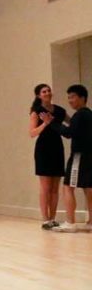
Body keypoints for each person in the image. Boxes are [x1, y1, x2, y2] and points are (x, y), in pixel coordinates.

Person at [44, 84, 92, 233]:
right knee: (88, 188)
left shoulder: (80, 115)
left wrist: (51, 122)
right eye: (68, 97)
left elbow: (68, 133)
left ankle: (70, 222)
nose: (70, 100)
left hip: (79, 156)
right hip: (89, 155)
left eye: (72, 97)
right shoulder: (89, 114)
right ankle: (90, 222)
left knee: (67, 187)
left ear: (82, 98)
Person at [29, 83, 68, 229]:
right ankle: (45, 219)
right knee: (45, 187)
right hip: (43, 149)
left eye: (49, 90)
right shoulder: (36, 112)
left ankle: (53, 218)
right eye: (44, 91)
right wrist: (45, 124)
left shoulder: (59, 110)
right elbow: (32, 133)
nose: (47, 93)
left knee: (55, 187)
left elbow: (71, 124)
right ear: (39, 95)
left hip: (57, 147)